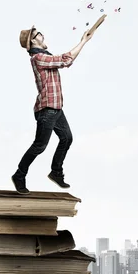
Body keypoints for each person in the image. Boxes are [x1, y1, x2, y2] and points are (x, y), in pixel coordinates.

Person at [12, 15, 106, 194]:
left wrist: (83, 41)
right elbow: (66, 60)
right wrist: (83, 42)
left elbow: (65, 59)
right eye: (38, 34)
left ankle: (56, 172)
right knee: (40, 145)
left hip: (55, 108)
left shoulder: (45, 56)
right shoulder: (38, 58)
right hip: (47, 109)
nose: (42, 35)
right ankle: (19, 175)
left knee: (66, 138)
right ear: (32, 42)